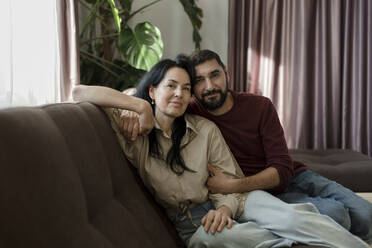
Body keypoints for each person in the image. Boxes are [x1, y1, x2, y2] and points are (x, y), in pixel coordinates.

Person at [73, 55, 370, 248]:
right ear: (152, 91)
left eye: (185, 88)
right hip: (196, 220)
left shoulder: (206, 127)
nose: (181, 93)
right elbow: (78, 92)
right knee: (257, 239)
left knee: (300, 220)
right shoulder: (136, 132)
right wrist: (136, 104)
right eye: (173, 85)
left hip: (246, 194)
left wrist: (226, 205)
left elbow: (236, 177)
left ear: (226, 74)